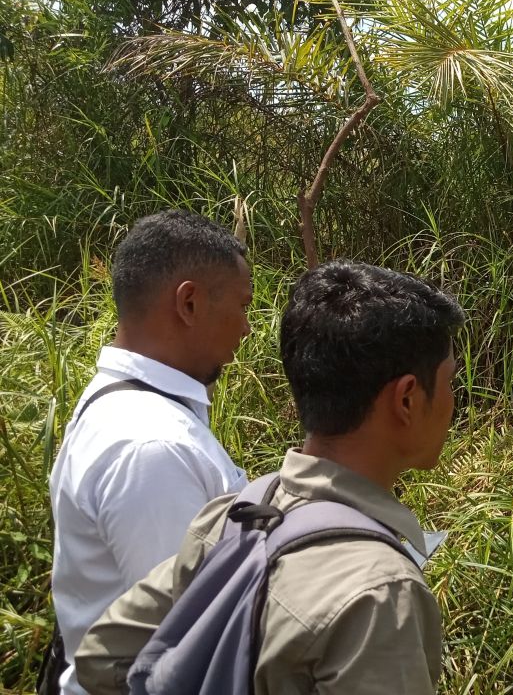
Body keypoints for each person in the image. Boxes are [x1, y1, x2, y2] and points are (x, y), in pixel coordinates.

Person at [75, 260, 464, 695]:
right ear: (407, 399)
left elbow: (100, 657)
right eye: (450, 381)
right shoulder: (379, 594)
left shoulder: (235, 516)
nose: (453, 400)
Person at [48, 210, 252, 695]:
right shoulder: (151, 447)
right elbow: (191, 640)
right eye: (242, 306)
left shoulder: (122, 402)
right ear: (189, 302)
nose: (245, 329)